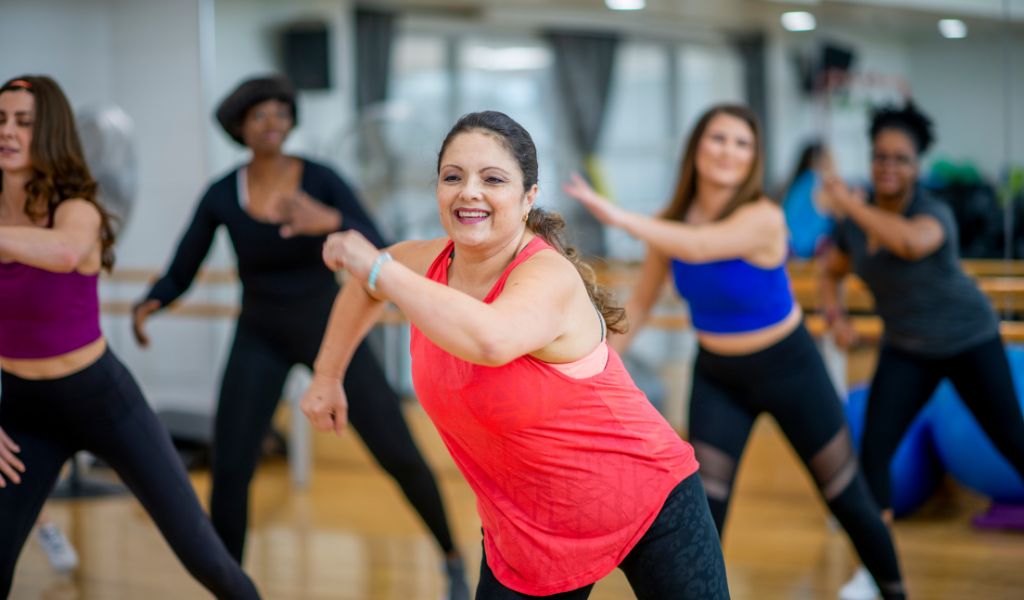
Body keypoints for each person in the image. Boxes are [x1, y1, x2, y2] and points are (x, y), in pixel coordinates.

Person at [301, 110, 730, 599]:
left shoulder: (546, 277)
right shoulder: (427, 263)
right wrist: (328, 374)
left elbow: (491, 339)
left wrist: (380, 268)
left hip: (648, 499)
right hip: (528, 532)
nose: (470, 192)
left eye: (493, 179)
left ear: (529, 197)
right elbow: (363, 288)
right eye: (453, 177)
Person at [131, 75, 468, 598]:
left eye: (280, 112)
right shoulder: (223, 194)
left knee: (397, 450)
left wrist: (327, 220)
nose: (272, 123)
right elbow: (184, 265)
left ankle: (450, 555)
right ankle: (230, 584)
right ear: (240, 128)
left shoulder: (323, 178)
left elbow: (379, 245)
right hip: (258, 333)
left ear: (291, 121)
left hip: (330, 326)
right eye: (259, 115)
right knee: (232, 465)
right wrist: (153, 301)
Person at [563, 104, 905, 600]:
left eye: (742, 143)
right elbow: (637, 303)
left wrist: (618, 216)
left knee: (847, 498)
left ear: (753, 159)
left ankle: (896, 592)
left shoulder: (763, 218)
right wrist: (590, 368)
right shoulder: (669, 224)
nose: (728, 151)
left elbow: (700, 246)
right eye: (718, 139)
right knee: (703, 512)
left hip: (791, 368)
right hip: (719, 379)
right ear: (697, 147)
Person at [0, 75, 260, 599]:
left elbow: (66, 252)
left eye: (23, 122)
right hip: (24, 410)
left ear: (48, 132)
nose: (7, 131)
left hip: (101, 400)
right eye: (0, 120)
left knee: (205, 558)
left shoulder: (78, 209)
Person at [819, 100, 1024, 591]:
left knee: (1013, 443)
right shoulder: (855, 222)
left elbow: (908, 243)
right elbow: (832, 270)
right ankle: (876, 572)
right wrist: (835, 316)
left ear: (917, 166)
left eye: (901, 158)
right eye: (881, 156)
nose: (889, 167)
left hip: (968, 339)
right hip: (907, 347)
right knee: (873, 455)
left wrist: (847, 203)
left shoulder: (933, 213)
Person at [781, 140, 835, 258]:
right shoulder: (819, 183)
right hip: (808, 256)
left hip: (788, 253)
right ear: (824, 161)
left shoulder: (795, 183)